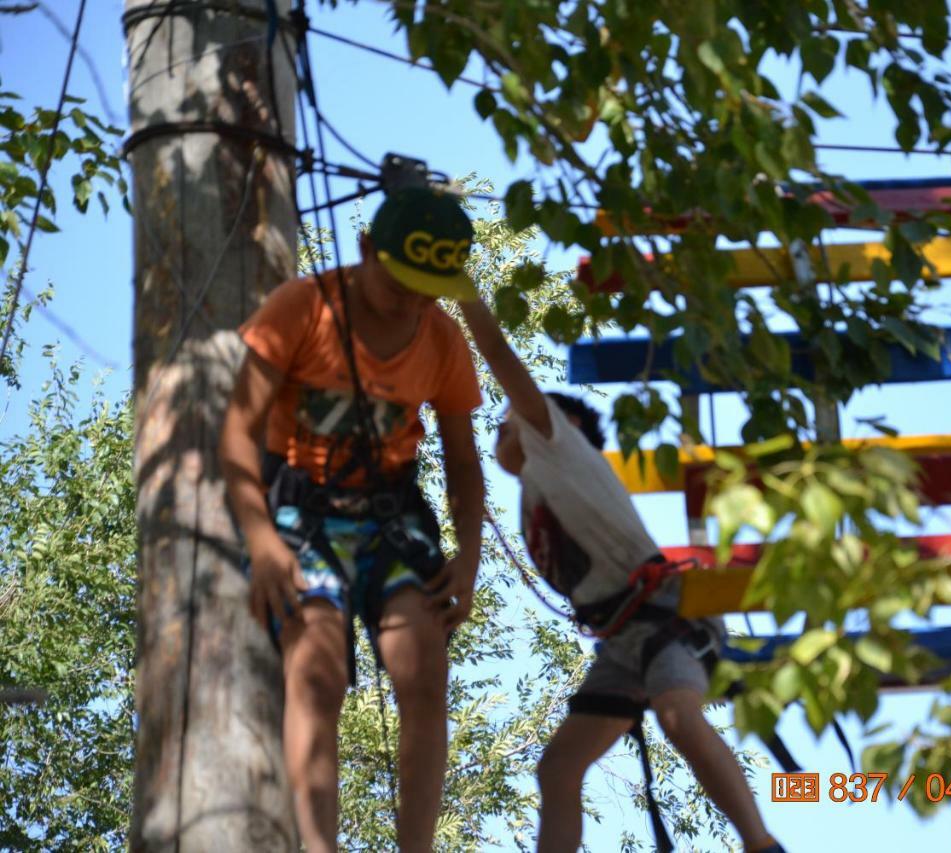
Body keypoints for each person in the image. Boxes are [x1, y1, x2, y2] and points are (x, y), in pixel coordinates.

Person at [456, 295, 784, 853]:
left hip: (668, 614)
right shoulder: (543, 488)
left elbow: (497, 353)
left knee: (677, 714)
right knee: (558, 768)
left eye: (510, 422)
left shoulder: (559, 445)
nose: (502, 430)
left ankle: (761, 844)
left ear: (566, 423)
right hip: (625, 635)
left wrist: (462, 291)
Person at [219, 186, 484, 852]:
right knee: (319, 671)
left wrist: (470, 555)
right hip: (300, 515)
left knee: (423, 671)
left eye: (429, 291)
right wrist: (259, 538)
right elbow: (234, 435)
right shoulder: (302, 308)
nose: (411, 303)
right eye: (400, 284)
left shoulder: (442, 338)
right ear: (366, 250)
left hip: (392, 517)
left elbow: (462, 462)